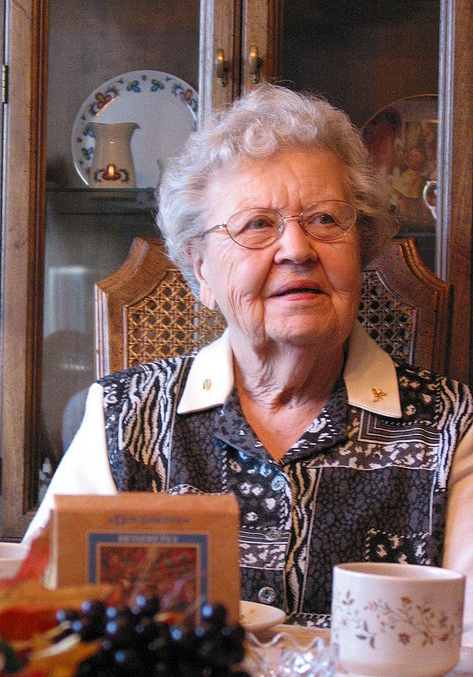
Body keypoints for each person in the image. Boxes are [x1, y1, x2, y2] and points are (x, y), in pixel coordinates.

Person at [25, 85, 473, 633]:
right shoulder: (124, 415)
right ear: (203, 270)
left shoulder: (451, 425)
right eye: (258, 224)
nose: (297, 249)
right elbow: (37, 620)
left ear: (363, 248)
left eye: (326, 220)